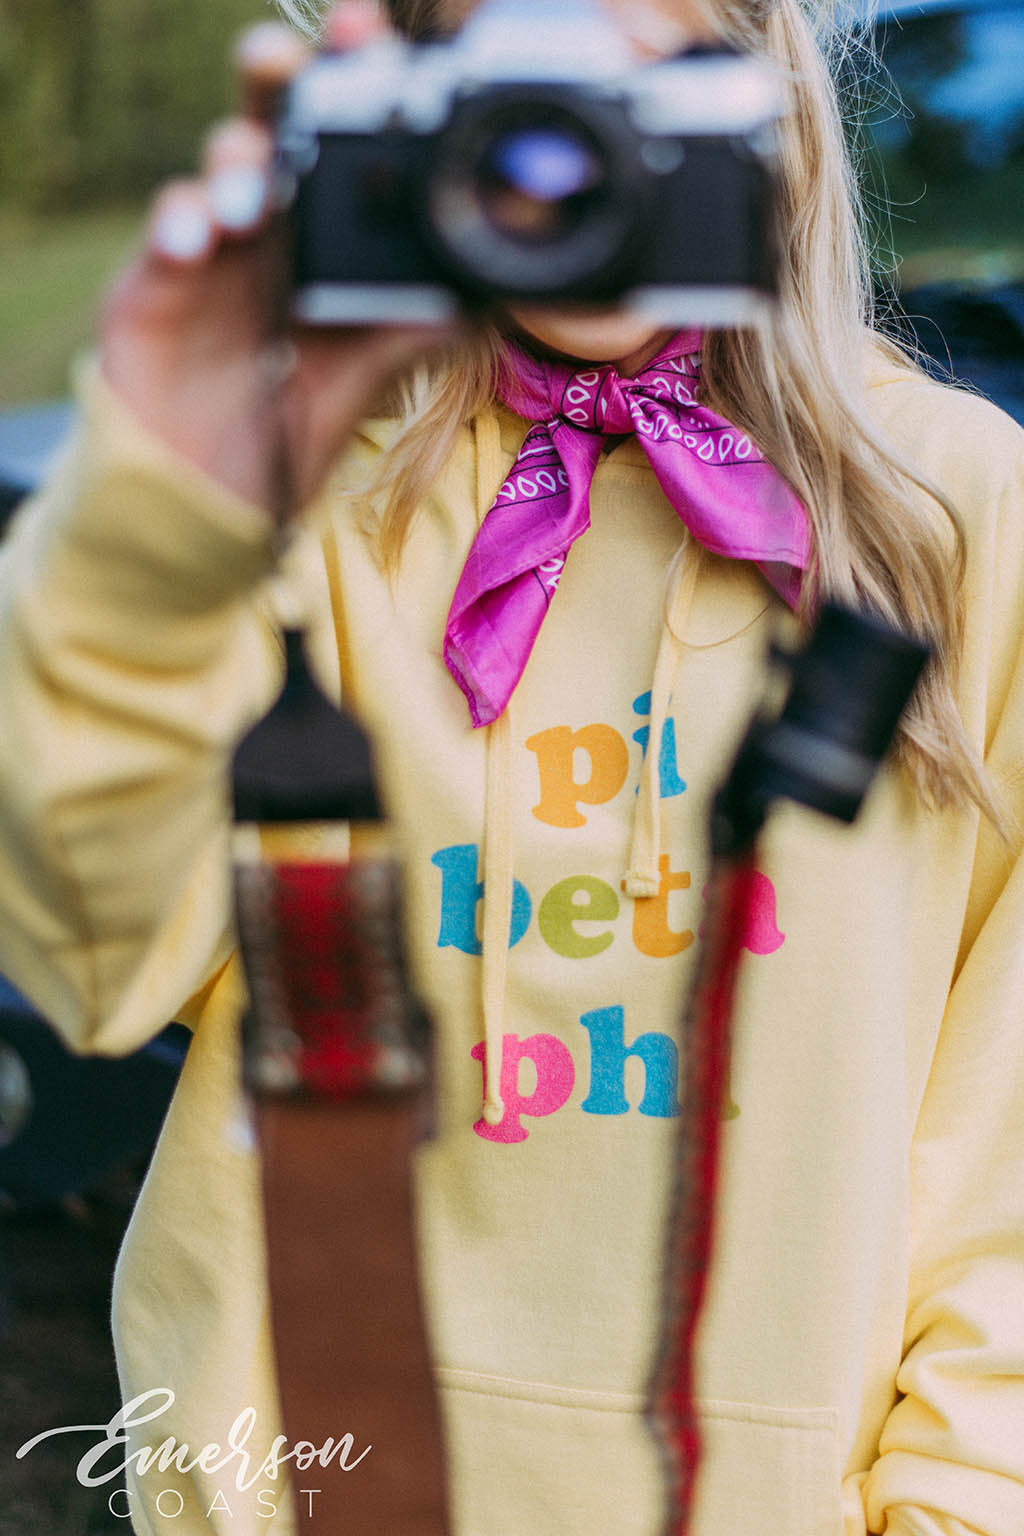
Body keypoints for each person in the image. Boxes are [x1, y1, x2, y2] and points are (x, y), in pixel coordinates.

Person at [1, 0, 1023, 1531]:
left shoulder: (951, 507)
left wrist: (961, 1500)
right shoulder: (300, 481)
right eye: (516, 90)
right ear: (413, 105)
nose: (567, 163)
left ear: (775, 104)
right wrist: (159, 495)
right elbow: (96, 965)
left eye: (647, 90)